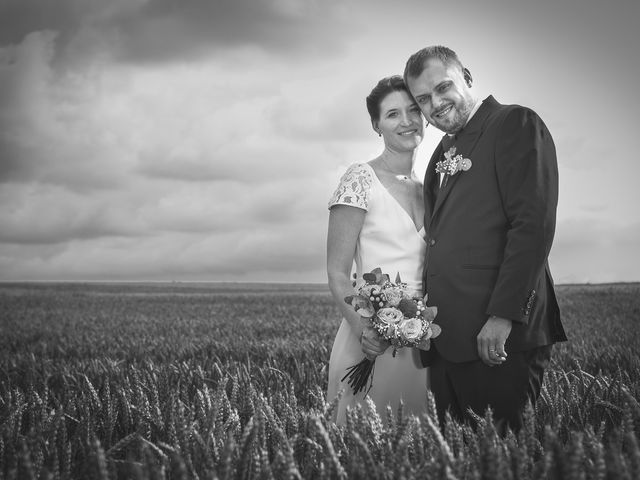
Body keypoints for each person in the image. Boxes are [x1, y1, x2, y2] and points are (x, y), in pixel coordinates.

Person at [403, 45, 567, 432]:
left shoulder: (515, 124)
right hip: (446, 343)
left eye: (443, 88)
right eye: (423, 99)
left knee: (504, 459)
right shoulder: (439, 154)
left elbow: (532, 226)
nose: (436, 104)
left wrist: (504, 315)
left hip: (496, 338)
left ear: (468, 78)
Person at [326, 75, 429, 424]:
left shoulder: (433, 188)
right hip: (371, 340)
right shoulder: (360, 178)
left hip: (427, 345)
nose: (407, 121)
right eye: (393, 114)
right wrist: (363, 330)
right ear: (376, 125)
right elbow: (337, 272)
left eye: (414, 110)